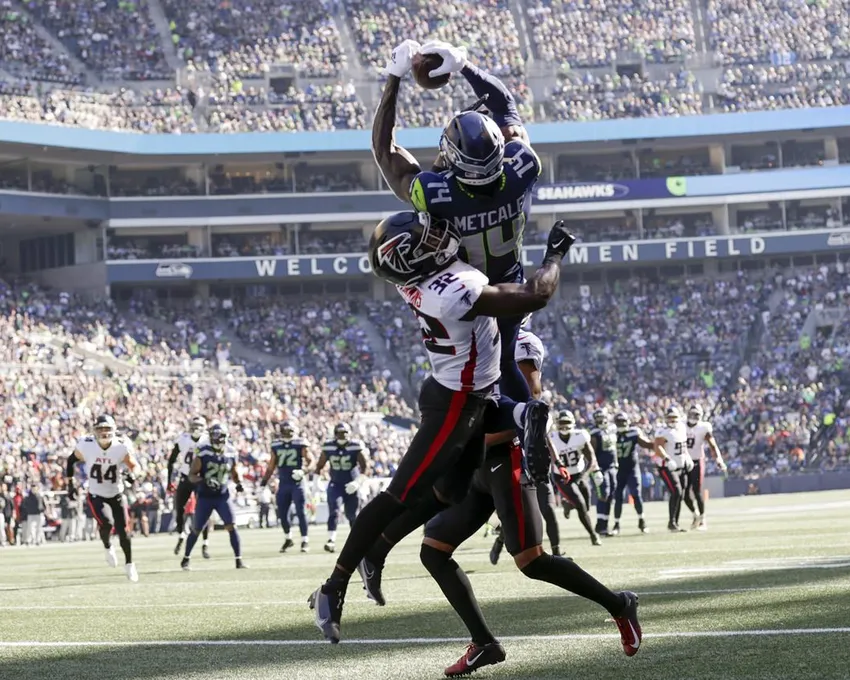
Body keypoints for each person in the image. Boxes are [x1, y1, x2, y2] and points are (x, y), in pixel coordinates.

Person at [309, 211, 573, 644]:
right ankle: (333, 586)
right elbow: (535, 295)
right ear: (417, 260)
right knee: (399, 494)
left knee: (449, 492)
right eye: (426, 238)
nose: (439, 236)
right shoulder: (451, 290)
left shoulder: (424, 275)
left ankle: (524, 415)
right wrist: (555, 255)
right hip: (455, 405)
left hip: (472, 392)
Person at [373, 38, 541, 408]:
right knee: (510, 360)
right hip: (509, 285)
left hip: (461, 295)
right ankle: (526, 425)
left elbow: (385, 151)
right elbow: (507, 108)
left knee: (463, 385)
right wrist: (465, 66)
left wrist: (393, 79)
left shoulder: (434, 193)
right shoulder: (522, 170)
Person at [490, 325, 562, 563]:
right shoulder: (476, 332)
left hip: (518, 435)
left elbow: (532, 393)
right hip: (492, 434)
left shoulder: (523, 341)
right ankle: (504, 540)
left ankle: (555, 551)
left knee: (542, 505)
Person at [66, 414, 140, 582]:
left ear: (114, 430)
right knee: (107, 523)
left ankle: (129, 564)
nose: (104, 432)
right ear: (95, 431)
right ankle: (107, 546)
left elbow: (135, 466)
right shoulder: (86, 445)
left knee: (124, 531)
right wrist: (70, 484)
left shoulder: (121, 446)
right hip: (96, 493)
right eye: (101, 429)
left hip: (117, 492)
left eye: (107, 429)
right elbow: (71, 460)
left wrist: (132, 475)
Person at [181, 421, 247, 570]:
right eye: (215, 436)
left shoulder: (230, 451)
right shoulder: (203, 451)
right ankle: (186, 559)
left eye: (220, 436)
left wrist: (239, 482)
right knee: (197, 529)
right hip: (205, 496)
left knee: (231, 525)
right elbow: (191, 475)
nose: (217, 439)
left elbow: (235, 472)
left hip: (222, 495)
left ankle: (239, 560)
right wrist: (205, 480)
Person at [549, 410, 603, 546]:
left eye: (567, 422)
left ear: (573, 422)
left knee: (586, 505)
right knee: (580, 504)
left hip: (579, 474)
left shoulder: (580, 436)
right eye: (561, 423)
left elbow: (592, 459)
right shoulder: (552, 438)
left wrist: (588, 474)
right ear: (556, 424)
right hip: (562, 476)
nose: (564, 426)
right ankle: (593, 535)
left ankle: (568, 504)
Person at [313, 423, 368, 554]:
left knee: (352, 515)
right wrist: (316, 479)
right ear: (335, 434)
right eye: (341, 433)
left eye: (345, 432)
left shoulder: (355, 446)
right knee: (334, 511)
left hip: (351, 484)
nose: (343, 435)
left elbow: (365, 467)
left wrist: (358, 482)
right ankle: (331, 540)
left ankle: (356, 542)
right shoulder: (329, 446)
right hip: (336, 484)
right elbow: (320, 465)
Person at [260, 421, 313, 552]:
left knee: (301, 511)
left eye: (290, 431)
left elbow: (311, 461)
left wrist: (303, 471)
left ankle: (305, 540)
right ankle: (288, 538)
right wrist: (264, 481)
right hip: (283, 483)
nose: (288, 433)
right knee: (282, 513)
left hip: (297, 483)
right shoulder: (276, 445)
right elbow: (271, 466)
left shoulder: (300, 443)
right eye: (286, 431)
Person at [167, 416, 211, 558]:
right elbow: (171, 460)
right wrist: (169, 480)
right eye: (194, 425)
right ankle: (181, 534)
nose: (197, 429)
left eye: (199, 425)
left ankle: (205, 542)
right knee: (179, 508)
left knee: (204, 509)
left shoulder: (208, 440)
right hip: (186, 477)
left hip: (200, 478)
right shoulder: (183, 439)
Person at [611, 412, 655, 535]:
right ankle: (616, 524)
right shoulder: (612, 435)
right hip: (618, 469)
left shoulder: (633, 432)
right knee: (618, 497)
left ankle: (642, 521)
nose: (621, 424)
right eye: (619, 422)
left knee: (636, 494)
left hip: (632, 469)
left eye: (623, 422)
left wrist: (658, 444)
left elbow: (646, 444)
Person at [685, 404, 727, 530]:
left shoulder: (704, 427)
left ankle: (703, 519)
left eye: (696, 414)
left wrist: (718, 458)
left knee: (697, 491)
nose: (693, 417)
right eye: (692, 414)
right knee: (683, 493)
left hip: (697, 460)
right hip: (684, 462)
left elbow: (712, 444)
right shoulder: (680, 424)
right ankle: (695, 514)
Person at [654, 406, 694, 532]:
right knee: (676, 491)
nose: (672, 420)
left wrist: (688, 458)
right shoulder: (663, 431)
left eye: (674, 417)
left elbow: (683, 446)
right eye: (669, 417)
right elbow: (657, 448)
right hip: (667, 466)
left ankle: (674, 523)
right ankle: (671, 523)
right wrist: (667, 459)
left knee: (680, 493)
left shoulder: (682, 427)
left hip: (680, 465)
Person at [590, 408, 618, 536]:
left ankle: (605, 525)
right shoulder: (594, 433)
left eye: (603, 417)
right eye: (599, 418)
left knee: (611, 495)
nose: (601, 420)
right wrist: (594, 469)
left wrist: (616, 462)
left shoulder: (611, 429)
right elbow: (592, 453)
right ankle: (600, 525)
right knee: (604, 494)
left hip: (612, 466)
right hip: (601, 467)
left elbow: (614, 449)